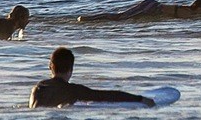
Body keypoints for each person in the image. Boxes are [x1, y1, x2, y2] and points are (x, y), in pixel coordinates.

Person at [30, 46, 159, 108]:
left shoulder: (38, 88)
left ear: (50, 67)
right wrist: (140, 99)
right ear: (71, 69)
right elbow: (106, 96)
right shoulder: (72, 90)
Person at [79, 0, 201, 23]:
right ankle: (87, 19)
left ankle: (87, 18)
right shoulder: (188, 13)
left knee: (119, 16)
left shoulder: (187, 9)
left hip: (151, 3)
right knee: (119, 19)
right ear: (199, 7)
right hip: (151, 8)